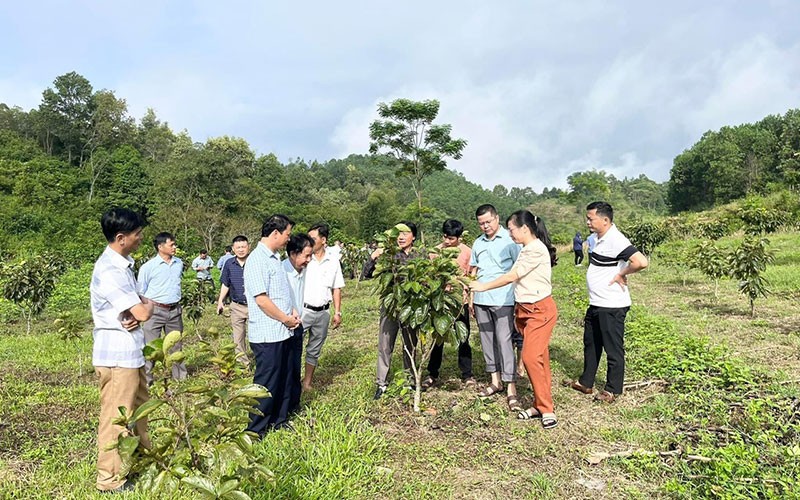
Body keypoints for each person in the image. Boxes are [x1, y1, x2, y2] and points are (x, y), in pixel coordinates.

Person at [470, 210, 559, 429]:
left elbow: (512, 275)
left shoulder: (535, 249)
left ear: (525, 228)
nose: (510, 234)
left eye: (512, 229)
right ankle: (540, 405)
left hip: (539, 310)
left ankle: (547, 409)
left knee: (529, 357)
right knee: (541, 359)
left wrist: (484, 286)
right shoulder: (527, 248)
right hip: (526, 310)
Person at [90, 208, 154, 493]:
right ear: (121, 238)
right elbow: (143, 311)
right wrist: (145, 307)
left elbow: (139, 309)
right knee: (116, 417)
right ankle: (109, 479)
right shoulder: (110, 270)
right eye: (137, 234)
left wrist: (141, 308)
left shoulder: (124, 265)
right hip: (117, 356)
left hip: (131, 352)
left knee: (140, 409)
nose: (141, 238)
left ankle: (143, 460)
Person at [563, 202, 649, 403]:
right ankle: (586, 382)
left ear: (605, 220)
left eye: (591, 219)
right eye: (587, 218)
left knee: (613, 348)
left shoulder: (616, 239)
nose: (587, 222)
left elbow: (641, 261)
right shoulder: (596, 238)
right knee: (591, 343)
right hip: (597, 302)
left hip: (612, 304)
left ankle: (612, 389)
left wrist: (622, 273)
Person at [243, 214, 301, 435]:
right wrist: (285, 318)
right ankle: (256, 429)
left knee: (284, 378)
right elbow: (262, 300)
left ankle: (280, 419)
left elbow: (280, 293)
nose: (289, 239)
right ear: (275, 233)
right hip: (268, 334)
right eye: (287, 234)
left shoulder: (275, 258)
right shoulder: (257, 260)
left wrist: (292, 311)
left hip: (283, 331)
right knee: (266, 382)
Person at [469, 204, 522, 411]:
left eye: (488, 221)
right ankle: (495, 380)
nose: (485, 226)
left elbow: (518, 269)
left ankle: (511, 387)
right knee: (487, 341)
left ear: (497, 218)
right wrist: (471, 298)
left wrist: (517, 300)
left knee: (505, 341)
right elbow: (474, 271)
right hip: (481, 299)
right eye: (481, 223)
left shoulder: (510, 240)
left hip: (503, 299)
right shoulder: (478, 243)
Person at [362, 221, 420, 400]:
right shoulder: (388, 254)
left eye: (406, 233)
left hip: (411, 306)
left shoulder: (420, 255)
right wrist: (374, 256)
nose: (401, 237)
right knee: (385, 344)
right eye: (398, 233)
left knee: (410, 344)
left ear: (414, 237)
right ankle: (382, 383)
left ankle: (410, 380)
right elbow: (367, 274)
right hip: (390, 306)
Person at [421, 219, 475, 390]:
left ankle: (467, 374)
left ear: (459, 237)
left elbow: (471, 276)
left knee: (463, 337)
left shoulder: (467, 252)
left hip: (459, 301)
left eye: (451, 238)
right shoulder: (435, 252)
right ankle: (432, 373)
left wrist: (470, 300)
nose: (447, 241)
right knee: (438, 338)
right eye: (445, 237)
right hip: (440, 301)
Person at [138, 232, 187, 383]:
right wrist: (146, 309)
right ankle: (147, 381)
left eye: (174, 244)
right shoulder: (148, 267)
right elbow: (140, 291)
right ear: (160, 247)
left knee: (176, 346)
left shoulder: (178, 263)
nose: (175, 247)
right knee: (151, 348)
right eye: (171, 244)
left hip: (174, 310)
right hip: (155, 310)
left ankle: (180, 378)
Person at [302, 223, 346, 392]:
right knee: (294, 346)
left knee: (314, 349)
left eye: (313, 238)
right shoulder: (304, 259)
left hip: (323, 312)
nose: (309, 241)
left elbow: (337, 288)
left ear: (323, 240)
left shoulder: (333, 261)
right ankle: (291, 380)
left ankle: (307, 383)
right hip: (303, 311)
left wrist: (337, 312)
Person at [282, 233, 314, 414]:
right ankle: (283, 407)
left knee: (295, 367)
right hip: (283, 325)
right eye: (306, 256)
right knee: (284, 369)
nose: (309, 260)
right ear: (293, 254)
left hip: (297, 324)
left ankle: (294, 405)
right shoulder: (281, 271)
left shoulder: (303, 270)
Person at [216, 235, 250, 366]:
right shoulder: (229, 264)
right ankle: (243, 364)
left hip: (255, 305)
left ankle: (262, 362)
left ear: (248, 247)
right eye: (238, 247)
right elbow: (226, 284)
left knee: (257, 336)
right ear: (233, 249)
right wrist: (220, 301)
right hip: (236, 305)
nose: (241, 250)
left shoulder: (255, 261)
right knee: (238, 337)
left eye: (243, 247)